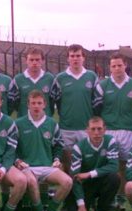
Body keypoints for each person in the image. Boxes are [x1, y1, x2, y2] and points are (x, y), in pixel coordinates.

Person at [92, 52, 132, 211]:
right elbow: (97, 108)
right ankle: (107, 199)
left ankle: (120, 200)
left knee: (125, 166)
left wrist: (130, 120)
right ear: (110, 67)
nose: (117, 68)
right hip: (109, 131)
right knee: (107, 165)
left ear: (125, 65)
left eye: (119, 65)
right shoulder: (103, 85)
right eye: (113, 66)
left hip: (128, 130)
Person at [14, 90, 71, 211]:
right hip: (28, 168)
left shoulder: (52, 123)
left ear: (44, 104)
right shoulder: (19, 123)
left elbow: (58, 145)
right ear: (28, 105)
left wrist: (57, 159)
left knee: (67, 181)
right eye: (33, 103)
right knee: (32, 182)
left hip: (47, 166)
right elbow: (11, 148)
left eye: (39, 103)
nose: (36, 106)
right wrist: (18, 160)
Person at [50, 44, 99, 174]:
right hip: (67, 127)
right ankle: (70, 192)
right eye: (72, 56)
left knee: (87, 162)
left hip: (86, 127)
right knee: (67, 162)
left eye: (78, 56)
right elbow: (57, 101)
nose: (75, 59)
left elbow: (97, 102)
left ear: (83, 58)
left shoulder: (91, 76)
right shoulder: (60, 78)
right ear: (68, 59)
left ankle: (87, 191)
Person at [66, 117, 120, 211]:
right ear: (87, 130)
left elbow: (114, 166)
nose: (96, 132)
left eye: (99, 129)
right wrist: (81, 205)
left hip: (100, 181)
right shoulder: (79, 147)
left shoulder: (110, 141)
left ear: (105, 129)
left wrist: (90, 174)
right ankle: (87, 205)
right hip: (84, 186)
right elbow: (75, 177)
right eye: (93, 129)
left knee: (114, 178)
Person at [11, 48, 55, 117]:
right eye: (31, 60)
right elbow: (15, 103)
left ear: (43, 61)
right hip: (24, 122)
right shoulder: (18, 79)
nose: (34, 62)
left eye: (37, 60)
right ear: (26, 61)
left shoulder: (50, 78)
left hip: (45, 122)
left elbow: (53, 102)